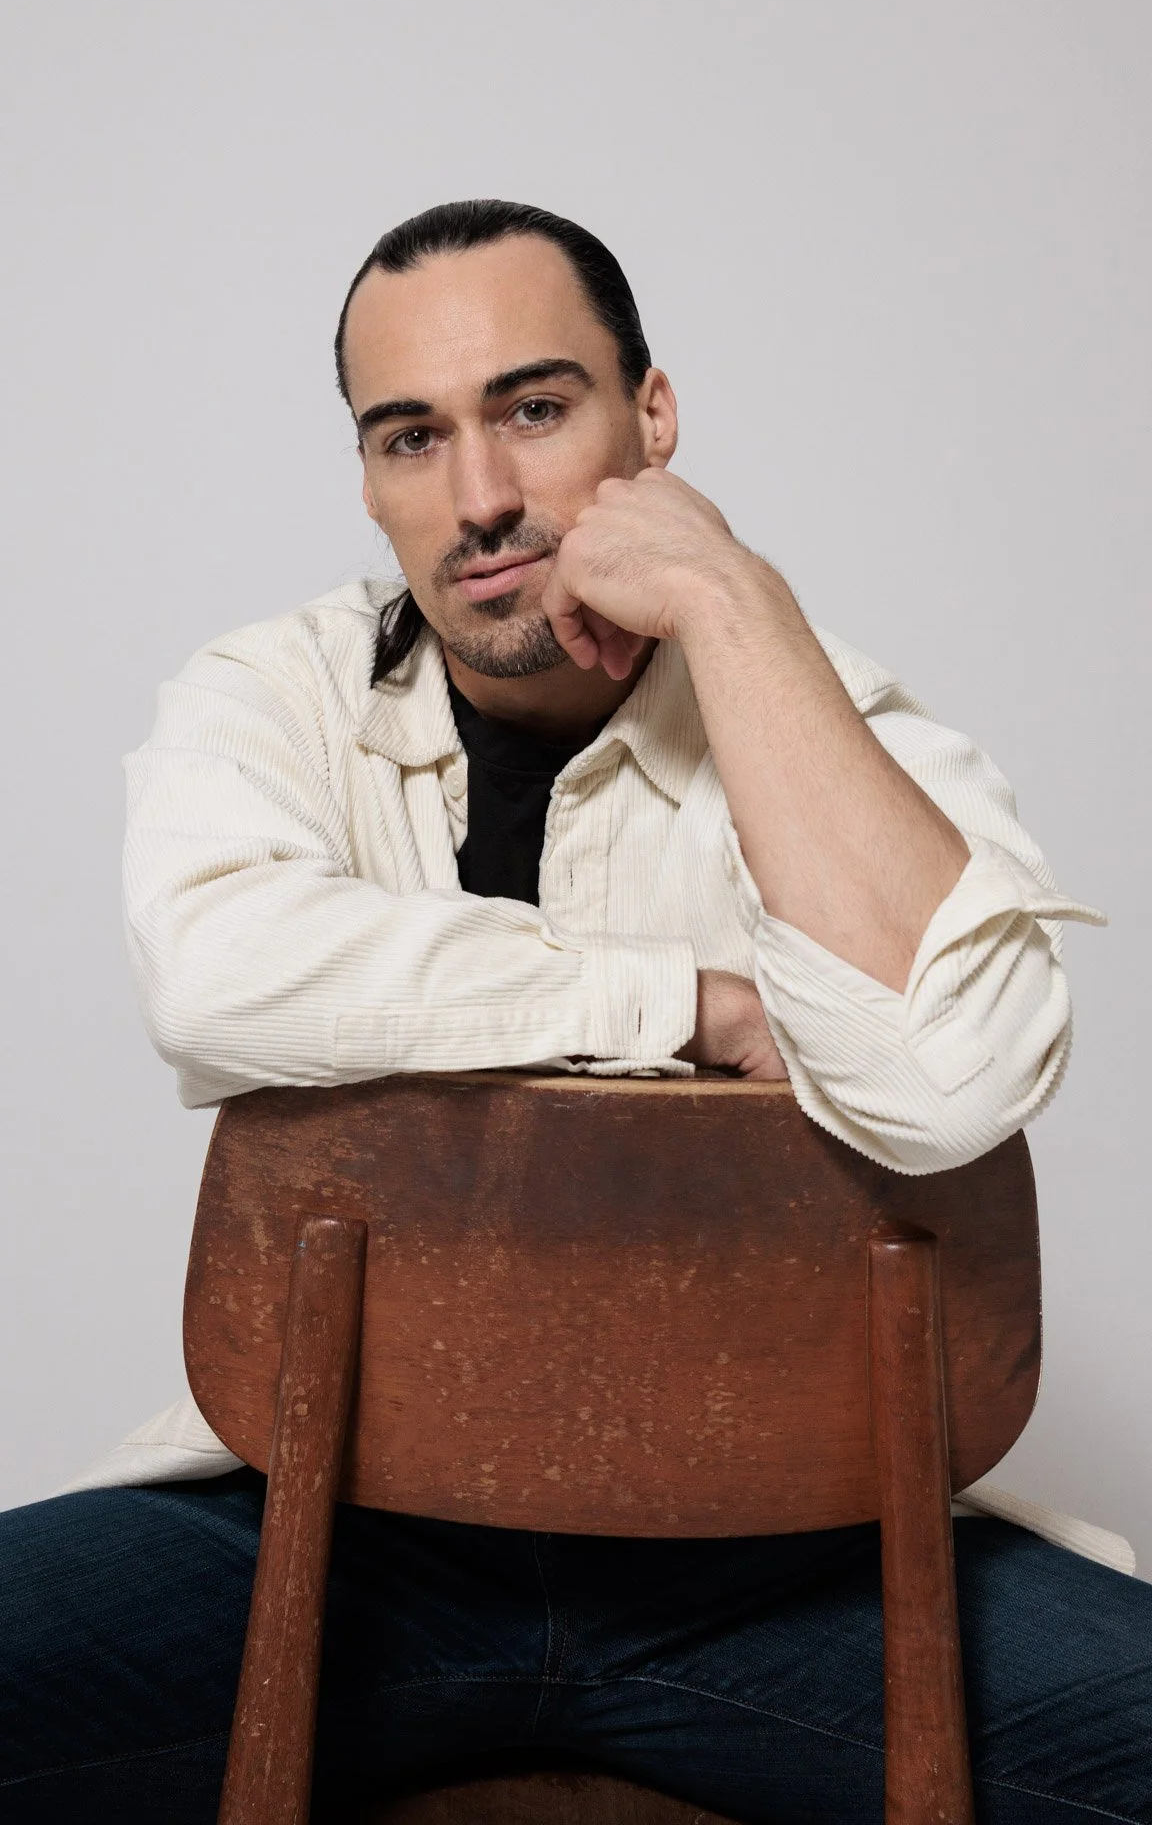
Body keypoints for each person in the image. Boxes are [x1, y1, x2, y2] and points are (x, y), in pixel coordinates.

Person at [0, 200, 1146, 1822]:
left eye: (535, 411)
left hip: (796, 1576)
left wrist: (733, 603)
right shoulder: (275, 695)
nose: (480, 499)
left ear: (650, 422)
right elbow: (214, 968)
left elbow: (956, 1078)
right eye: (412, 438)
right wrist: (678, 1001)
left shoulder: (836, 720)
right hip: (331, 1542)